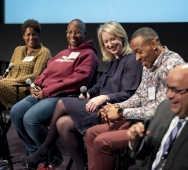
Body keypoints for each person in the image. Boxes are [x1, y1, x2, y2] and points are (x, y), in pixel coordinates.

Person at [19, 21, 143, 170]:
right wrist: (90, 93)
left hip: (111, 110)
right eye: (106, 41)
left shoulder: (131, 60)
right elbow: (100, 85)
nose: (110, 44)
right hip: (97, 106)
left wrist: (105, 97)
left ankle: (43, 150)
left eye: (113, 39)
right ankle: (82, 167)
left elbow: (129, 93)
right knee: (62, 124)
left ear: (122, 37)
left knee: (62, 103)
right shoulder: (112, 60)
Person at [86, 27, 185, 170]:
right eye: (134, 53)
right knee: (91, 133)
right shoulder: (149, 62)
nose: (137, 58)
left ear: (153, 44)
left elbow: (164, 110)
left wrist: (122, 113)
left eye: (139, 52)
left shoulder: (171, 65)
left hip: (158, 128)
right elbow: (139, 95)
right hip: (140, 121)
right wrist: (118, 106)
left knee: (102, 142)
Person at [10, 19, 99, 169]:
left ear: (85, 33)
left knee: (30, 118)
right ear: (66, 33)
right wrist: (36, 85)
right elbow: (46, 71)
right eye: (70, 31)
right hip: (45, 93)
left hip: (65, 97)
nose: (73, 35)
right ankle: (36, 154)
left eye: (77, 31)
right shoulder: (62, 53)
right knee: (15, 112)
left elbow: (78, 80)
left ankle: (54, 157)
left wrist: (47, 91)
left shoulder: (89, 54)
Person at [127, 62, 188, 170]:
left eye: (176, 90)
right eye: (168, 88)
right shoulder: (165, 107)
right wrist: (135, 142)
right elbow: (146, 155)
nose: (169, 95)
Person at [0, 19, 51, 111]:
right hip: (8, 85)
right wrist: (4, 79)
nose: (31, 37)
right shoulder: (18, 50)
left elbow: (35, 75)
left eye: (34, 34)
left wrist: (9, 80)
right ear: (23, 36)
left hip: (25, 90)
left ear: (38, 35)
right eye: (28, 35)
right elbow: (10, 70)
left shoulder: (43, 52)